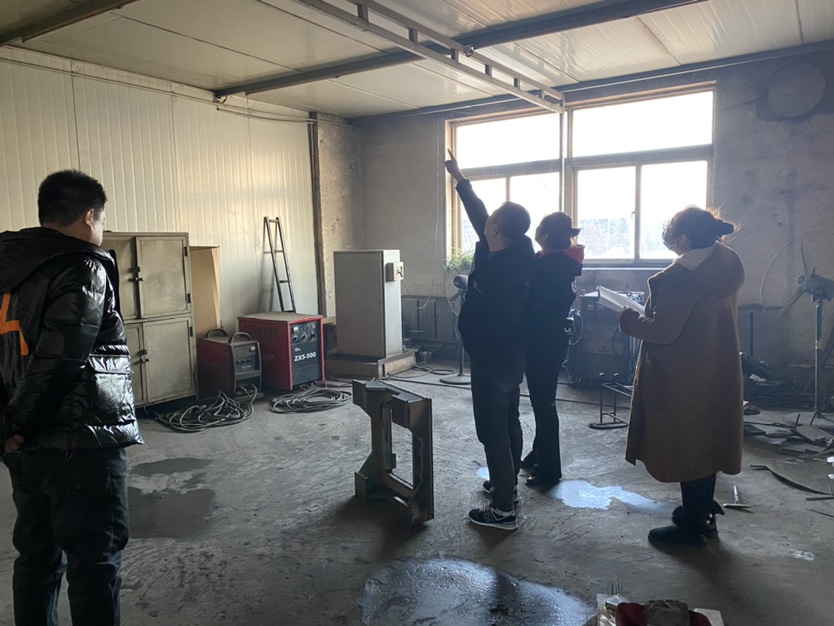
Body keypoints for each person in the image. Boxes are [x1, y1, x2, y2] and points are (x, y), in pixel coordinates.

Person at [0, 170, 143, 625]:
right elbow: (61, 359)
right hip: (81, 441)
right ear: (88, 216)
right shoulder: (82, 267)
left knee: (37, 557)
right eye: (102, 220)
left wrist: (9, 427)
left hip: (24, 447)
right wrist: (19, 423)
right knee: (95, 563)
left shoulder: (9, 271)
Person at [618, 206, 743, 546]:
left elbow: (663, 331)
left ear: (684, 239)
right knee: (707, 441)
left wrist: (628, 319)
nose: (668, 237)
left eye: (672, 231)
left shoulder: (682, 278)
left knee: (687, 446)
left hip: (683, 375)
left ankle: (692, 526)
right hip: (714, 366)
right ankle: (701, 511)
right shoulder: (723, 263)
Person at [445, 151, 535, 531]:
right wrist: (460, 178)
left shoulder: (504, 274)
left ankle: (502, 510)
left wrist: (472, 335)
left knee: (493, 433)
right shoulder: (516, 251)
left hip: (494, 360)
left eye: (490, 222)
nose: (485, 224)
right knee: (509, 421)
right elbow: (479, 214)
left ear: (496, 229)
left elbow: (501, 322)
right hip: (511, 361)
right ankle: (506, 486)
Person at [522, 213, 584, 487]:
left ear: (545, 235)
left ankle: (548, 469)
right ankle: (538, 454)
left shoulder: (550, 265)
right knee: (543, 401)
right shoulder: (561, 261)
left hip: (542, 340)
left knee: (544, 404)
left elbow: (532, 304)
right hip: (552, 337)